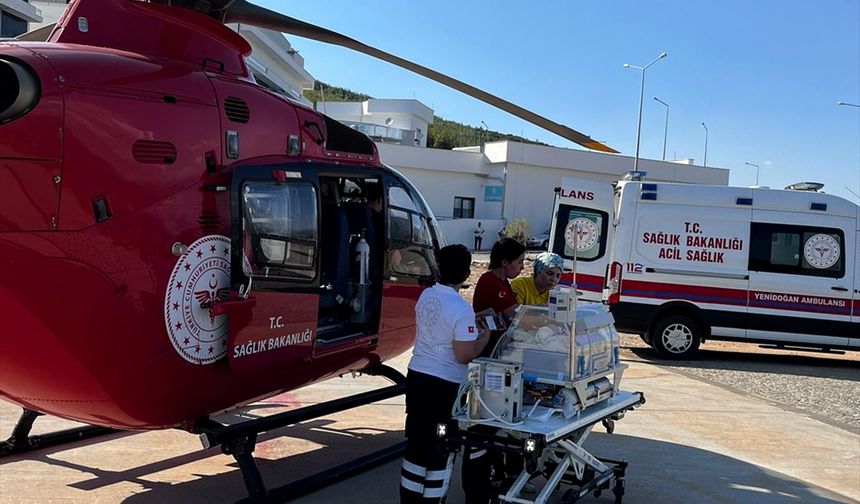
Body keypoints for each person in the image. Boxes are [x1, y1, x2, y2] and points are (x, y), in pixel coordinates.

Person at [400, 244, 491, 504]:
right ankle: (432, 498)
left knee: (416, 444)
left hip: (417, 376)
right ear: (466, 274)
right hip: (445, 385)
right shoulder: (461, 310)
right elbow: (464, 355)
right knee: (441, 447)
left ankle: (409, 498)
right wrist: (483, 337)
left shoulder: (425, 296)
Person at [463, 237, 526, 504]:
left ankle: (505, 472)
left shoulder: (503, 283)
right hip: (489, 359)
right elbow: (516, 314)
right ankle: (485, 478)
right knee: (486, 424)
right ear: (505, 262)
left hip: (500, 357)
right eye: (520, 262)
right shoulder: (490, 282)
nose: (523, 267)